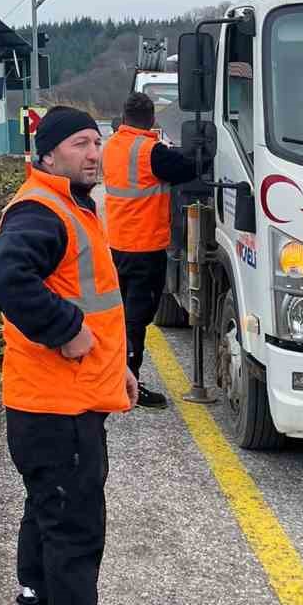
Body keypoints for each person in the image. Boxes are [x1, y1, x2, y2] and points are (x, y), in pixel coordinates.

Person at [0, 105, 152, 605]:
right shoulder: (42, 210)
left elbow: (95, 302)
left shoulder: (71, 207)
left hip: (58, 401)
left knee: (45, 520)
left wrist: (119, 370)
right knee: (75, 531)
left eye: (96, 142)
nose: (93, 152)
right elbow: (6, 280)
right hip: (58, 409)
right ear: (48, 153)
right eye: (79, 143)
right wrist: (63, 330)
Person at [102, 90, 198, 409]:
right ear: (152, 119)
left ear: (123, 117)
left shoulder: (112, 145)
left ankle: (112, 377)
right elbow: (188, 168)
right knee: (136, 319)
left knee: (118, 317)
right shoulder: (150, 152)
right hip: (145, 249)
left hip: (116, 245)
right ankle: (129, 384)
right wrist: (202, 148)